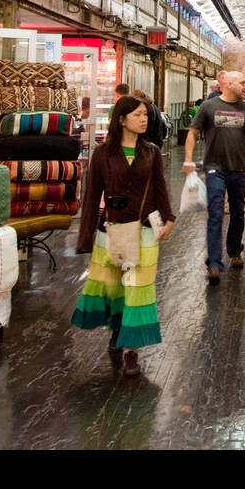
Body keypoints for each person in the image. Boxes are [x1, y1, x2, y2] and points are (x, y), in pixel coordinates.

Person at [72, 95, 175, 377]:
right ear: (121, 119)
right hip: (112, 229)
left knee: (139, 291)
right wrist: (85, 239)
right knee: (114, 288)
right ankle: (118, 330)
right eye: (138, 115)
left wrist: (169, 218)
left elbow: (160, 188)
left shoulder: (151, 152)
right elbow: (92, 196)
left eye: (145, 115)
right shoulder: (103, 154)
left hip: (143, 229)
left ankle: (132, 351)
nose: (144, 119)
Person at [184, 70, 245, 284]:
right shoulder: (208, 107)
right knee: (215, 213)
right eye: (242, 83)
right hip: (215, 168)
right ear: (229, 84)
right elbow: (193, 133)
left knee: (238, 213)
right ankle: (213, 262)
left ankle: (234, 251)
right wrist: (187, 159)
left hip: (239, 168)